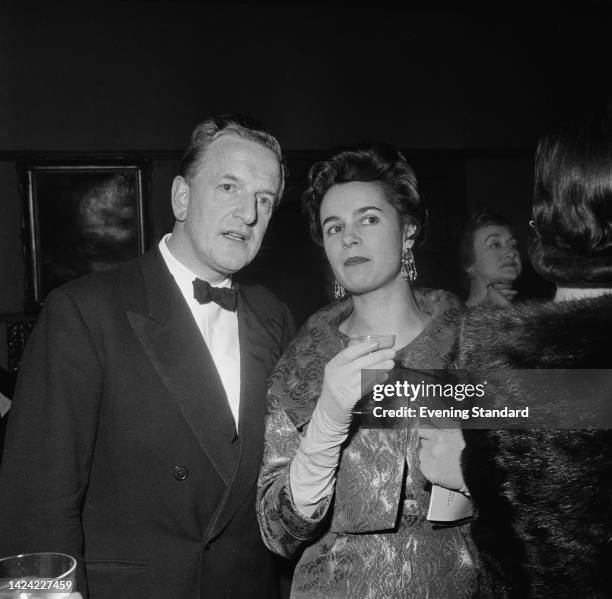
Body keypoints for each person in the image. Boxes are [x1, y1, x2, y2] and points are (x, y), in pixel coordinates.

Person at [0, 115, 295, 599]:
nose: (248, 213)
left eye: (265, 200)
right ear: (181, 196)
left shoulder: (274, 316)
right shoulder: (84, 311)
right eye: (229, 187)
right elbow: (36, 501)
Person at [257, 143, 479, 598]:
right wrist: (326, 424)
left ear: (408, 231)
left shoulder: (475, 348)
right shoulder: (301, 366)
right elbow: (277, 533)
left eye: (369, 218)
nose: (349, 237)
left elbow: (560, 494)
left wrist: (477, 469)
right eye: (334, 226)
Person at [419, 107, 612, 598]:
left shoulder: (514, 347)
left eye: (511, 241)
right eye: (493, 244)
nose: (508, 252)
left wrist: (474, 463)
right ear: (468, 262)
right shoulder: (459, 331)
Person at [460, 210, 522, 307]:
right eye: (495, 245)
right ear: (469, 264)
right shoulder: (444, 317)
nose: (511, 253)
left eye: (513, 245)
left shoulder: (532, 317)